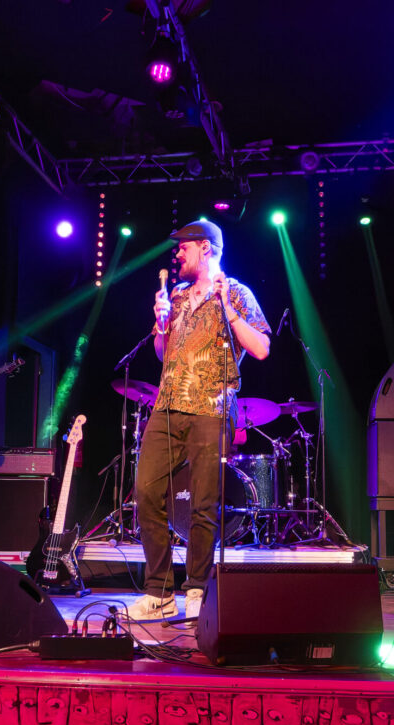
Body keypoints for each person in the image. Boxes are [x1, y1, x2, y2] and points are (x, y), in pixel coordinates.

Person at [129, 219, 271, 623]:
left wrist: (229, 310)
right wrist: (161, 325)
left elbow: (261, 348)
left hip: (211, 407)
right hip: (167, 405)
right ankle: (159, 592)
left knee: (203, 504)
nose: (177, 254)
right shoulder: (176, 295)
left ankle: (196, 588)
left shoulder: (237, 292)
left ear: (206, 248)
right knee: (145, 493)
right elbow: (163, 353)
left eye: (184, 247)